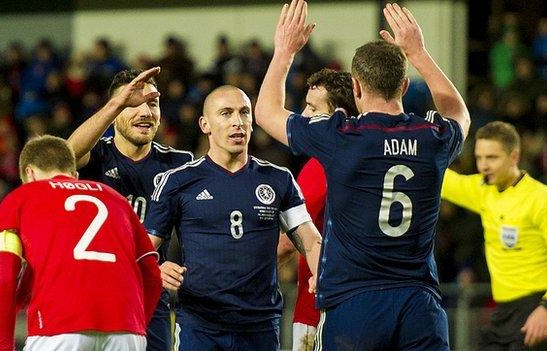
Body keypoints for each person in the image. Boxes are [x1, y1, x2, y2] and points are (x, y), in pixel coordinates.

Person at [256, 1, 471, 350]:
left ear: (355, 88)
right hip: (419, 304)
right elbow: (459, 114)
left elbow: (266, 113)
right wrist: (418, 53)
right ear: (404, 85)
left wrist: (284, 50)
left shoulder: (341, 137)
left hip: (355, 305)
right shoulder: (432, 137)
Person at [144, 85, 322, 350]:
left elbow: (310, 240)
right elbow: (144, 248)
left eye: (244, 113)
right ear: (205, 124)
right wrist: (156, 269)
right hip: (199, 326)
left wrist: (321, 273)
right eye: (226, 113)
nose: (237, 122)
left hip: (259, 326)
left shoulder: (278, 180)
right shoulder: (178, 181)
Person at [0, 135, 162, 351]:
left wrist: (4, 346)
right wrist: (137, 326)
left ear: (29, 173)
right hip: (127, 330)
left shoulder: (20, 198)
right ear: (74, 174)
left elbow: (3, 279)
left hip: (58, 328)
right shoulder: (117, 200)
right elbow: (152, 275)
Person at [67, 68, 193, 350]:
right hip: (94, 292)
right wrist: (115, 104)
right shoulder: (97, 155)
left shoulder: (179, 164)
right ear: (115, 112)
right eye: (133, 104)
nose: (146, 112)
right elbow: (68, 155)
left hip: (149, 293)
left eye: (152, 103)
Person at [442, 121, 547, 350]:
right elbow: (443, 179)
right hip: (502, 314)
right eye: (479, 157)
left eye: (492, 158)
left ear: (514, 157)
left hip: (539, 308)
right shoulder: (482, 190)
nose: (483, 166)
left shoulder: (542, 200)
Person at [276, 68, 358, 351]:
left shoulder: (320, 166)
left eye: (313, 108)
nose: (304, 116)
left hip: (319, 310)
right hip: (368, 305)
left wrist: (237, 276)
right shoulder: (368, 156)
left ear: (340, 115)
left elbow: (288, 241)